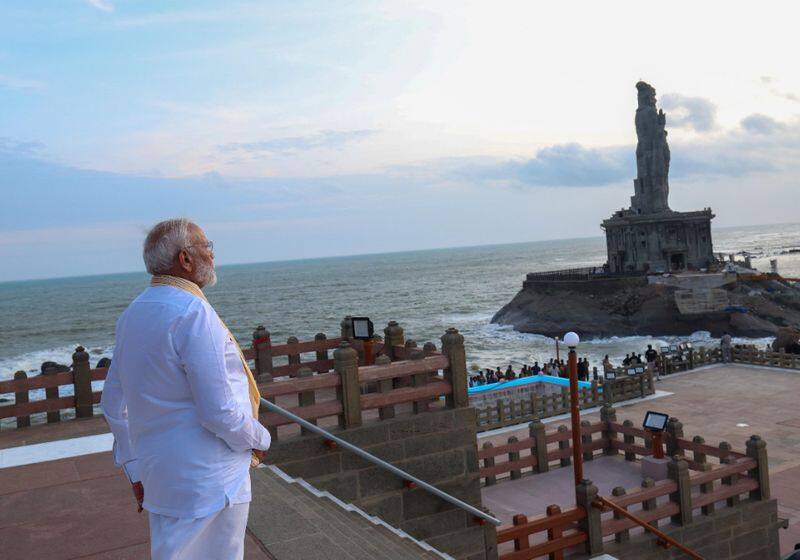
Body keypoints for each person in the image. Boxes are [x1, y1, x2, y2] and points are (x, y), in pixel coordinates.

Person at [101, 218, 272, 560]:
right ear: (185, 260)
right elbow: (218, 412)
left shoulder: (133, 313)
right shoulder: (193, 312)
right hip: (211, 480)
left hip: (161, 476)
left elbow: (111, 403)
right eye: (207, 246)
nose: (212, 254)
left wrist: (134, 466)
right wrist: (260, 438)